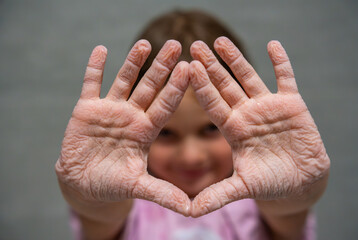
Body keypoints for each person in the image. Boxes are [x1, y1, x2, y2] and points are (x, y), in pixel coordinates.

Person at [55, 10, 330, 240]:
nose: (191, 156)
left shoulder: (262, 198)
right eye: (165, 133)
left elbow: (288, 213)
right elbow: (99, 217)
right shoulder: (127, 203)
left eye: (211, 129)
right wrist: (90, 198)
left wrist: (298, 192)